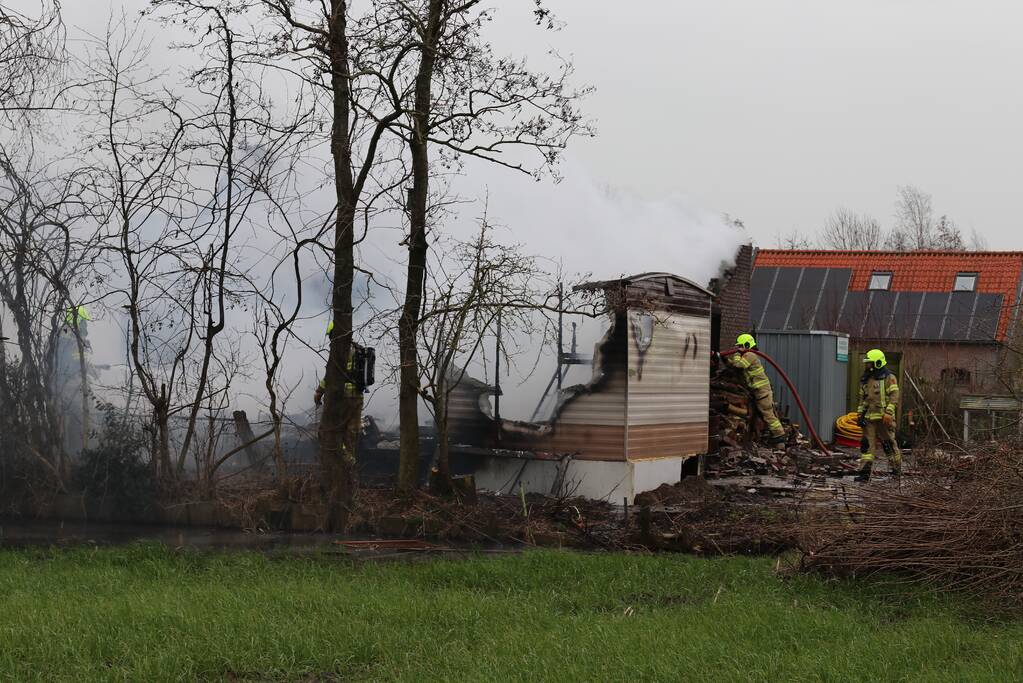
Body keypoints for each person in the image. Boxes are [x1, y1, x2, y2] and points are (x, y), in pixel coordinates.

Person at [726, 333, 787, 446]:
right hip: (759, 392)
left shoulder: (750, 355)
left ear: (747, 345)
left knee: (767, 414)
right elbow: (734, 366)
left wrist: (736, 354)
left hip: (762, 392)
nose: (738, 348)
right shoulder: (747, 356)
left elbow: (739, 365)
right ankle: (773, 436)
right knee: (763, 415)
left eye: (740, 346)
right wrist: (723, 359)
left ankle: (779, 435)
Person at [854, 348, 901, 482]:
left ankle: (896, 471)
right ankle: (864, 475)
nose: (867, 365)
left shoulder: (889, 378)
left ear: (878, 363)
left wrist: (889, 412)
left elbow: (894, 396)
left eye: (870, 363)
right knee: (867, 447)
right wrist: (859, 414)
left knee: (889, 444)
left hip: (884, 419)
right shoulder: (865, 379)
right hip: (868, 419)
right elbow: (863, 399)